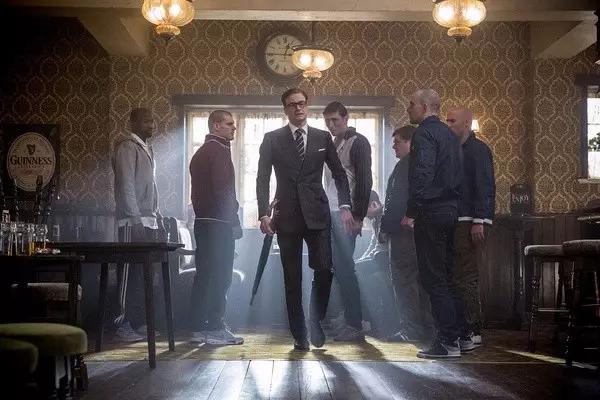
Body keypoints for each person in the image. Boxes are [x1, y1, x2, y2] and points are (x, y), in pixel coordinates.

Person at [256, 88, 353, 351]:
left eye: (302, 103)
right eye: (292, 105)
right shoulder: (272, 139)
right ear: (285, 109)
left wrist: (345, 204)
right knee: (292, 279)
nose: (298, 108)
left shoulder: (322, 137)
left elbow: (339, 173)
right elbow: (262, 178)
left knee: (324, 269)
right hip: (286, 215)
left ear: (307, 106)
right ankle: (299, 333)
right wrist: (264, 213)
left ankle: (315, 318)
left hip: (317, 214)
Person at [402, 89, 467, 359]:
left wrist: (411, 211)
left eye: (412, 104)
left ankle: (448, 342)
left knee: (434, 278)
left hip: (431, 211)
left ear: (426, 106)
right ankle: (460, 337)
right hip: (450, 211)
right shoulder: (450, 135)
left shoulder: (424, 133)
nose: (408, 108)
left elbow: (422, 173)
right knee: (447, 277)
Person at [188, 110, 244, 345]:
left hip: (203, 223)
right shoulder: (218, 151)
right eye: (229, 124)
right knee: (221, 277)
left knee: (205, 276)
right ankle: (215, 328)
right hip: (219, 224)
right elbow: (224, 192)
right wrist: (234, 221)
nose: (234, 127)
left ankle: (197, 329)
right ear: (215, 126)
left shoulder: (202, 151)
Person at [112, 107, 166, 342]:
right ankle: (121, 325)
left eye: (153, 121)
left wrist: (157, 214)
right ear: (133, 123)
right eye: (146, 121)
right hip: (131, 221)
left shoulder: (146, 148)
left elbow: (150, 187)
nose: (151, 125)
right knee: (126, 275)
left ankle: (137, 322)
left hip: (148, 220)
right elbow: (126, 186)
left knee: (141, 275)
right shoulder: (127, 147)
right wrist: (135, 219)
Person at [323, 101, 372, 342]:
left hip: (347, 215)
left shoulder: (358, 142)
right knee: (338, 270)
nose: (331, 125)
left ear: (346, 118)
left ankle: (356, 324)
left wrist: (359, 216)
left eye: (335, 120)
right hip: (332, 213)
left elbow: (364, 181)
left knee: (345, 269)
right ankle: (349, 318)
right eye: (328, 121)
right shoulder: (333, 144)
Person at [446, 107, 496, 347]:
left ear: (467, 123)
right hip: (453, 219)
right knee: (455, 275)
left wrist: (479, 220)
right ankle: (461, 327)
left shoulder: (478, 150)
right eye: (447, 120)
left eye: (452, 121)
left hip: (469, 221)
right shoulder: (451, 149)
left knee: (465, 276)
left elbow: (485, 186)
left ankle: (472, 328)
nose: (448, 124)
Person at [379, 126, 434, 343]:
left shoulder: (406, 166)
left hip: (402, 232)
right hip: (415, 231)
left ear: (411, 142)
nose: (393, 146)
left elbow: (396, 200)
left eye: (398, 142)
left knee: (404, 280)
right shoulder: (421, 164)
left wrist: (385, 226)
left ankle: (411, 330)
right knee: (418, 281)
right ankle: (426, 328)